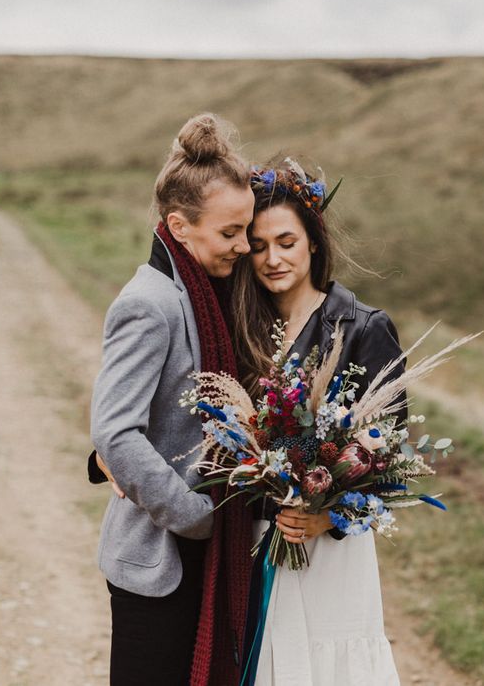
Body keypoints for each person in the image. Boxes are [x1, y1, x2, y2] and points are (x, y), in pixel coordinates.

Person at [89, 112, 256, 686]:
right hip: (163, 558)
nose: (244, 246)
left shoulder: (204, 295)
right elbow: (114, 433)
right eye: (229, 232)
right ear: (179, 227)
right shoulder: (150, 303)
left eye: (246, 230)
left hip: (199, 555)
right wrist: (198, 520)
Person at [231, 158, 403, 685]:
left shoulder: (364, 327)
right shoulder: (243, 327)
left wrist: (326, 517)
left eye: (285, 241)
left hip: (331, 554)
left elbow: (390, 462)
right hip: (259, 540)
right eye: (257, 246)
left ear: (313, 242)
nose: (272, 258)